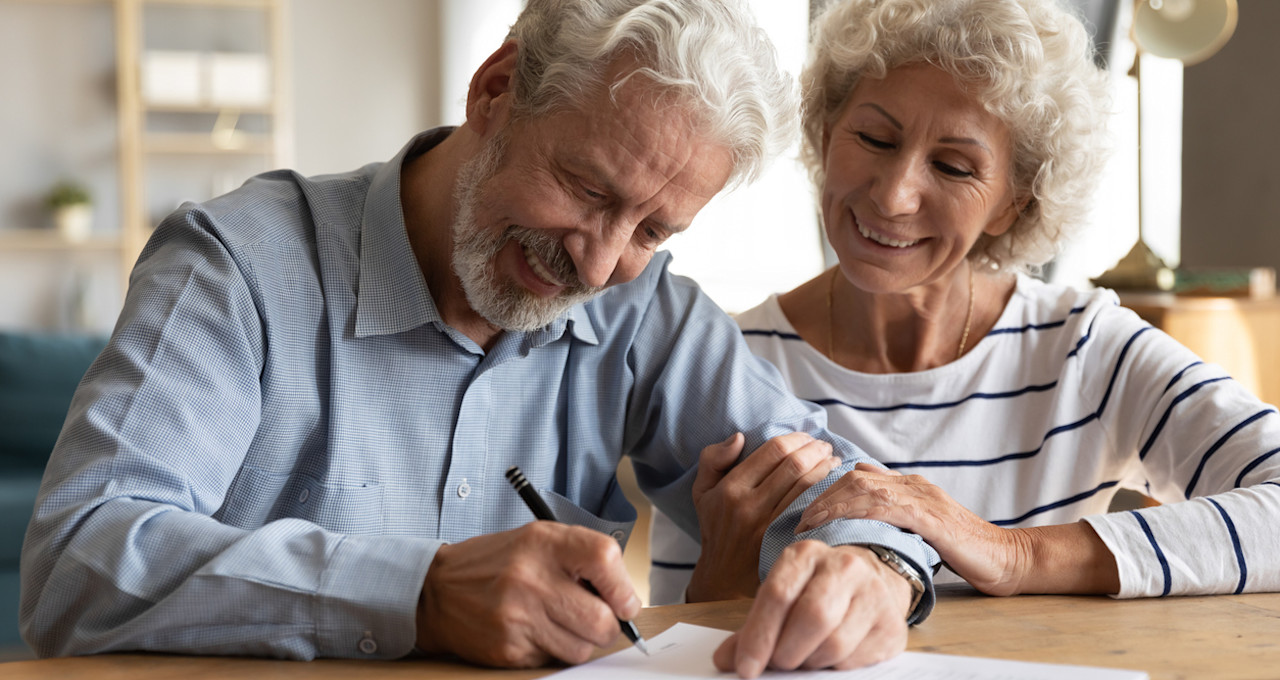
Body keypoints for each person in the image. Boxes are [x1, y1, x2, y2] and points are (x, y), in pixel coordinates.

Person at [19, 0, 942, 676]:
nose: (598, 263)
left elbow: (843, 491)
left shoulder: (642, 310)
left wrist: (875, 571)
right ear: (496, 91)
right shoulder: (238, 266)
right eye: (586, 189)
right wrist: (419, 591)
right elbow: (78, 562)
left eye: (654, 230)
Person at [650, 0, 1280, 606]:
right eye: (873, 138)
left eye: (953, 167)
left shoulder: (1084, 348)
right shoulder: (721, 366)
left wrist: (1013, 554)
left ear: (1015, 202)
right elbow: (672, 643)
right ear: (825, 129)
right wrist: (726, 589)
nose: (894, 196)